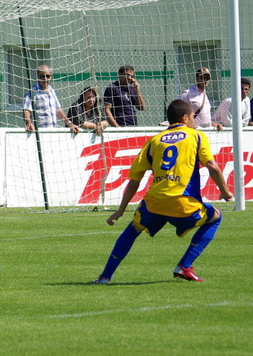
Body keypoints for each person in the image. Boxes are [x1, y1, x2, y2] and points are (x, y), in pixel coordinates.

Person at [94, 99, 233, 285]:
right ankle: (185, 265)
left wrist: (120, 210)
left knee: (132, 230)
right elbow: (212, 167)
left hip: (155, 203)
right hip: (183, 203)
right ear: (184, 118)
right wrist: (224, 192)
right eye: (193, 117)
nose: (194, 121)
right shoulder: (195, 136)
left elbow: (134, 180)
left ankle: (105, 276)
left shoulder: (154, 141)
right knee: (216, 216)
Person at [23, 65, 79, 134]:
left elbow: (58, 110)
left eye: (48, 76)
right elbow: (26, 110)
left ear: (51, 76)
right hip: (38, 133)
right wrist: (28, 123)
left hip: (52, 132)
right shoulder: (32, 92)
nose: (45, 79)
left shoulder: (51, 90)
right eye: (42, 76)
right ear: (37, 76)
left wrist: (69, 123)